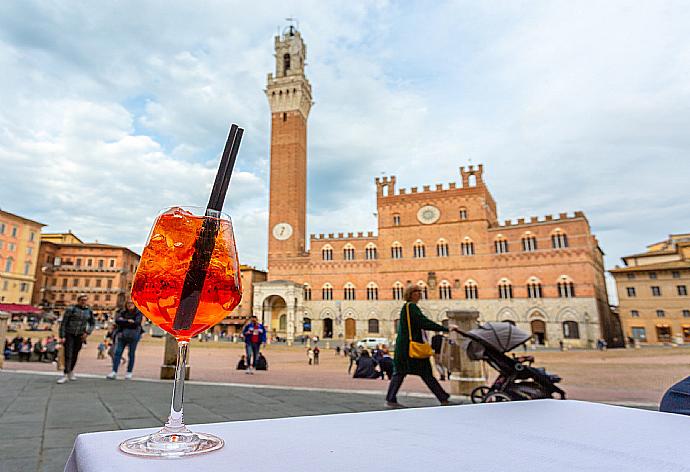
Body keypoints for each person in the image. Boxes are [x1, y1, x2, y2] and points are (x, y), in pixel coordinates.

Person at [385, 286, 459, 408]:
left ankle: (443, 398)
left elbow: (421, 322)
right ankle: (443, 398)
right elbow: (423, 322)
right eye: (417, 292)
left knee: (414, 373)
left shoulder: (409, 308)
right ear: (410, 294)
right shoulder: (411, 307)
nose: (420, 294)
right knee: (405, 373)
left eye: (420, 292)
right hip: (409, 348)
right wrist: (445, 329)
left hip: (409, 347)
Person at [57, 294, 95, 384]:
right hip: (69, 334)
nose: (84, 301)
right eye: (82, 300)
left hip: (80, 335)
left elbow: (93, 323)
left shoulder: (89, 311)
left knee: (75, 354)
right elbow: (63, 323)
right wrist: (62, 336)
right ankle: (65, 374)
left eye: (85, 300)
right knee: (68, 354)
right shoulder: (71, 309)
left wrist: (87, 332)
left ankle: (70, 371)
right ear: (78, 300)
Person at [106, 300, 144, 380]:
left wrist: (124, 321)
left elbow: (136, 323)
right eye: (128, 303)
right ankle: (114, 371)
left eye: (132, 303)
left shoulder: (138, 313)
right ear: (126, 304)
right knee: (117, 353)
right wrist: (128, 321)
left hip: (133, 336)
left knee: (131, 354)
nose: (130, 305)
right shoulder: (122, 312)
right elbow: (117, 321)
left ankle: (129, 372)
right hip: (122, 335)